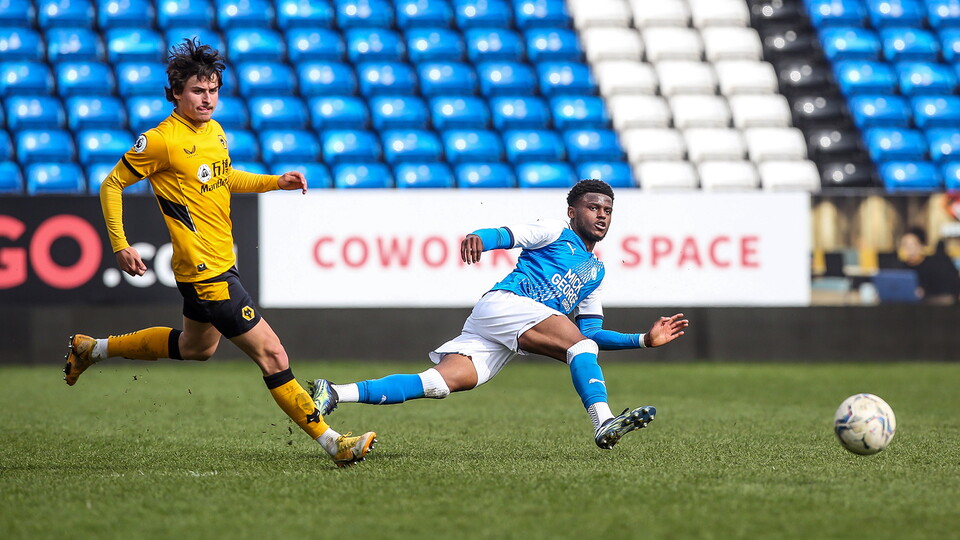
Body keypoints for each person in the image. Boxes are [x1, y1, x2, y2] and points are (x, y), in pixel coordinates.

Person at [62, 39, 376, 468]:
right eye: (196, 90)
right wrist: (120, 243)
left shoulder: (214, 131)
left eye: (212, 89)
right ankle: (334, 442)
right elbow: (111, 184)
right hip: (206, 273)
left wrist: (273, 182)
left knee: (196, 348)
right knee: (274, 356)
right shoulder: (161, 141)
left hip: (213, 267)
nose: (206, 98)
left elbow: (224, 179)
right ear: (175, 92)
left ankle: (92, 349)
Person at [309, 180, 689, 450]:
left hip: (507, 327)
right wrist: (480, 237)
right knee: (579, 347)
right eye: (593, 208)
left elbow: (592, 334)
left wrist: (643, 340)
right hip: (507, 304)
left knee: (439, 383)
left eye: (607, 210)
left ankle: (334, 392)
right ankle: (602, 420)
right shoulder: (556, 230)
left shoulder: (597, 273)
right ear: (573, 212)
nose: (601, 216)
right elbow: (508, 234)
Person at [898, 226, 960, 305]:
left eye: (912, 245)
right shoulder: (900, 267)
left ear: (921, 245)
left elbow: (945, 291)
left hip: (932, 307)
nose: (909, 249)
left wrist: (925, 293)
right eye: (905, 245)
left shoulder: (935, 265)